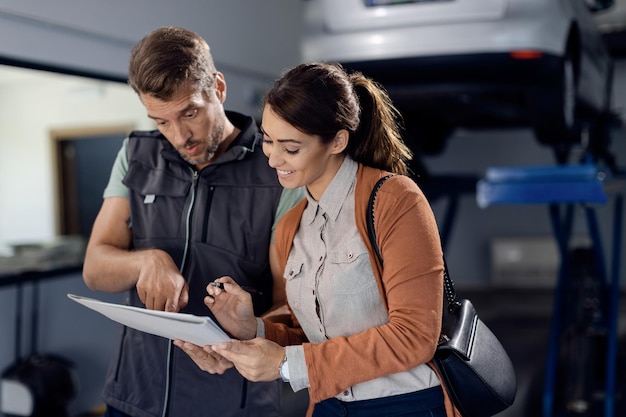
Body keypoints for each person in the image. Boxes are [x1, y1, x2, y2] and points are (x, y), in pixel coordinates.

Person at [176, 62, 460, 417]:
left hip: (404, 405)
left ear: (338, 140)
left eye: (291, 148)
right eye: (267, 140)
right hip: (328, 405)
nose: (274, 158)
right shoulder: (291, 225)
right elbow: (310, 337)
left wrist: (286, 364)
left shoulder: (395, 200)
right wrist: (251, 329)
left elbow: (415, 335)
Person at [82, 26, 304, 417]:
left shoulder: (277, 166)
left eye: (190, 113)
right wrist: (145, 261)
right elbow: (95, 268)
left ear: (218, 88)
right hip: (133, 397)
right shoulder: (135, 155)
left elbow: (292, 305)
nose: (180, 136)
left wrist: (244, 340)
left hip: (233, 402)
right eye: (161, 122)